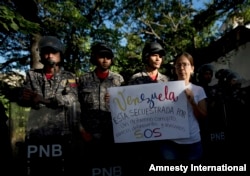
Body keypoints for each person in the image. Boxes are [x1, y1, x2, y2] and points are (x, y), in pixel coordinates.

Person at [18, 36, 79, 175]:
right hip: (36, 133)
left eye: (54, 52)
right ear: (41, 55)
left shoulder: (69, 77)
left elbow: (72, 98)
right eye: (46, 52)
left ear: (60, 55)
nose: (50, 55)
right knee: (37, 170)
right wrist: (24, 96)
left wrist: (44, 100)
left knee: (60, 170)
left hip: (60, 133)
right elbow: (22, 96)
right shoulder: (32, 75)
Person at [78, 42, 124, 168]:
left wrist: (117, 98)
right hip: (89, 135)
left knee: (113, 168)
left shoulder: (119, 80)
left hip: (113, 134)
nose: (105, 60)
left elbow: (127, 106)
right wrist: (81, 131)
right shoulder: (83, 80)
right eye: (101, 56)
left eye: (108, 57)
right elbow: (76, 107)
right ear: (94, 58)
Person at [160, 52, 207, 160]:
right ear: (175, 69)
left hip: (192, 143)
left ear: (192, 68)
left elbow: (203, 116)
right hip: (170, 143)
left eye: (185, 64)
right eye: (178, 65)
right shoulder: (165, 90)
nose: (181, 68)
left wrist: (192, 102)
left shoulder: (198, 90)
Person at [127, 41, 168, 161]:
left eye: (160, 56)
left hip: (164, 132)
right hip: (142, 133)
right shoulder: (135, 79)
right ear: (146, 56)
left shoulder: (166, 80)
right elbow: (128, 105)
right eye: (154, 55)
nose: (158, 58)